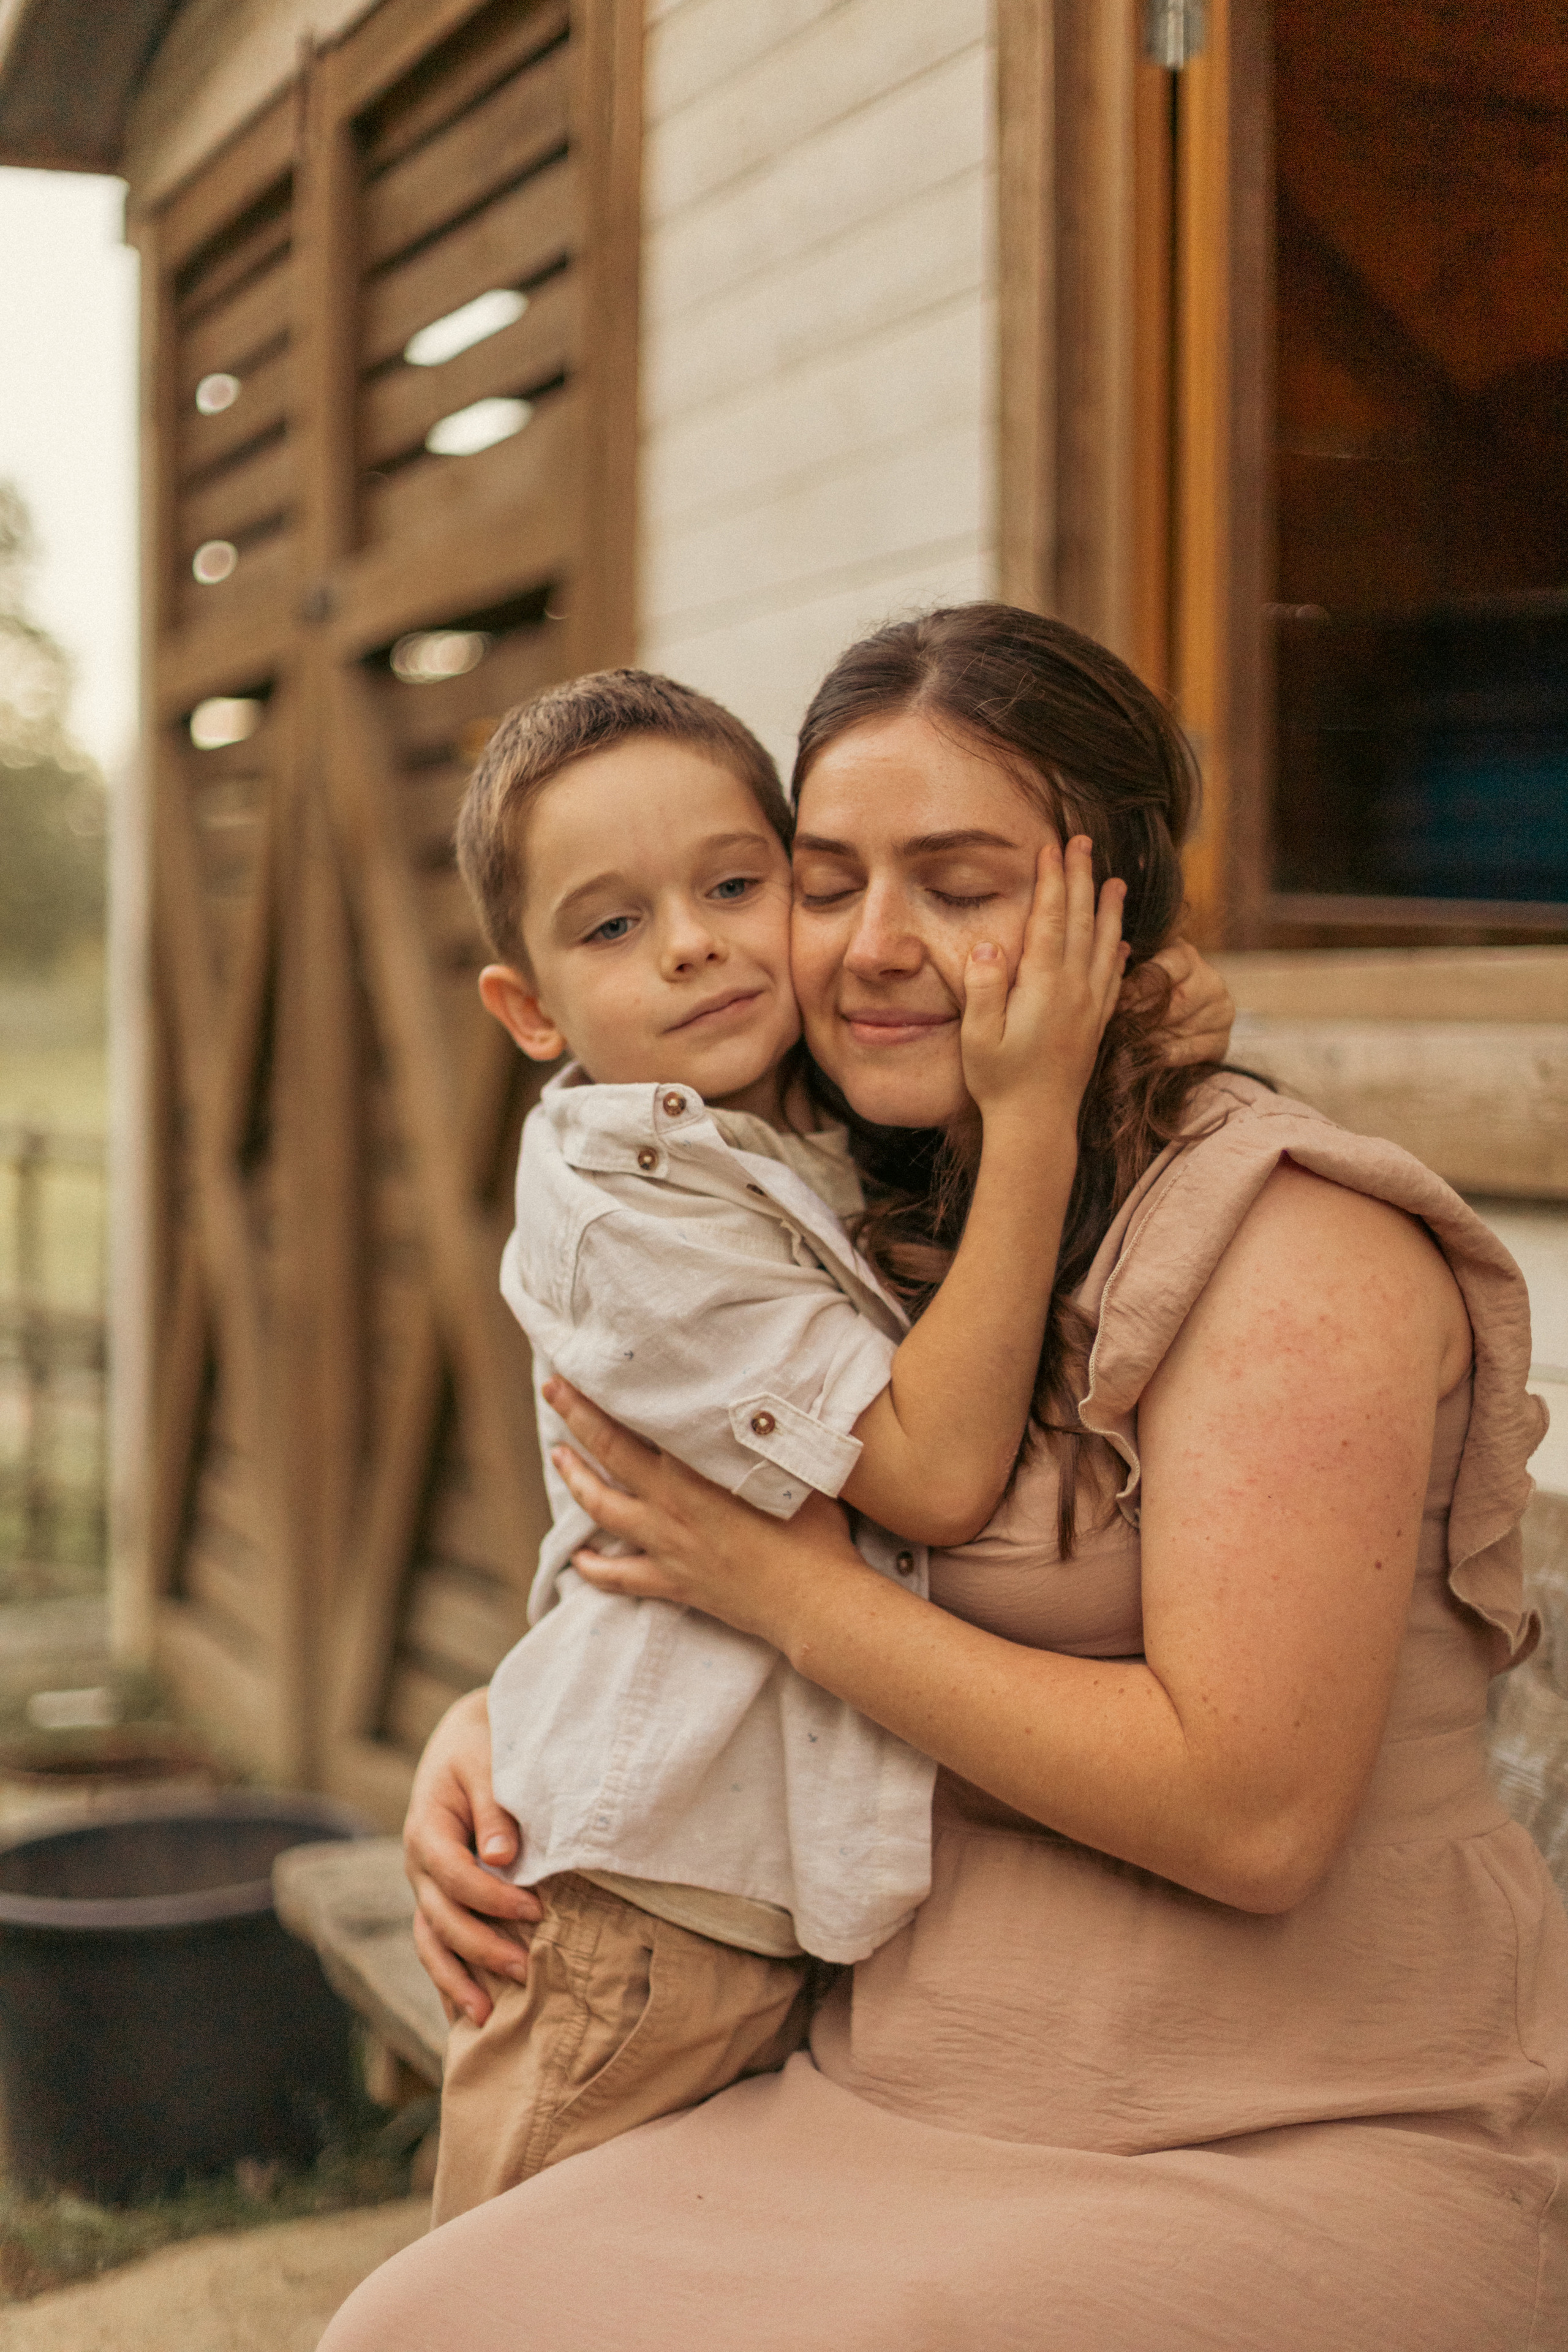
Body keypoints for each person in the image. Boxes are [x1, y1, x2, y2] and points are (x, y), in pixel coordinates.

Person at [325, 605, 1562, 2352]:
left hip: (1290, 2122)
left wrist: (789, 1599)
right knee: (415, 2326)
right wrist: (502, 1732)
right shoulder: (873, 1230)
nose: (873, 947)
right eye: (825, 881)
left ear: (1109, 912)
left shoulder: (1301, 1254)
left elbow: (1252, 1814)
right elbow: (678, 1539)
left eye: (962, 886)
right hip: (900, 2085)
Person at [432, 666, 1133, 2216]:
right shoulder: (628, 1211)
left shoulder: (786, 1119)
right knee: (513, 2300)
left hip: (762, 1892)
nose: (690, 942)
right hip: (643, 1918)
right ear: (527, 1007)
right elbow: (933, 1478)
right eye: (611, 926)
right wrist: (1034, 1120)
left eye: (738, 885)